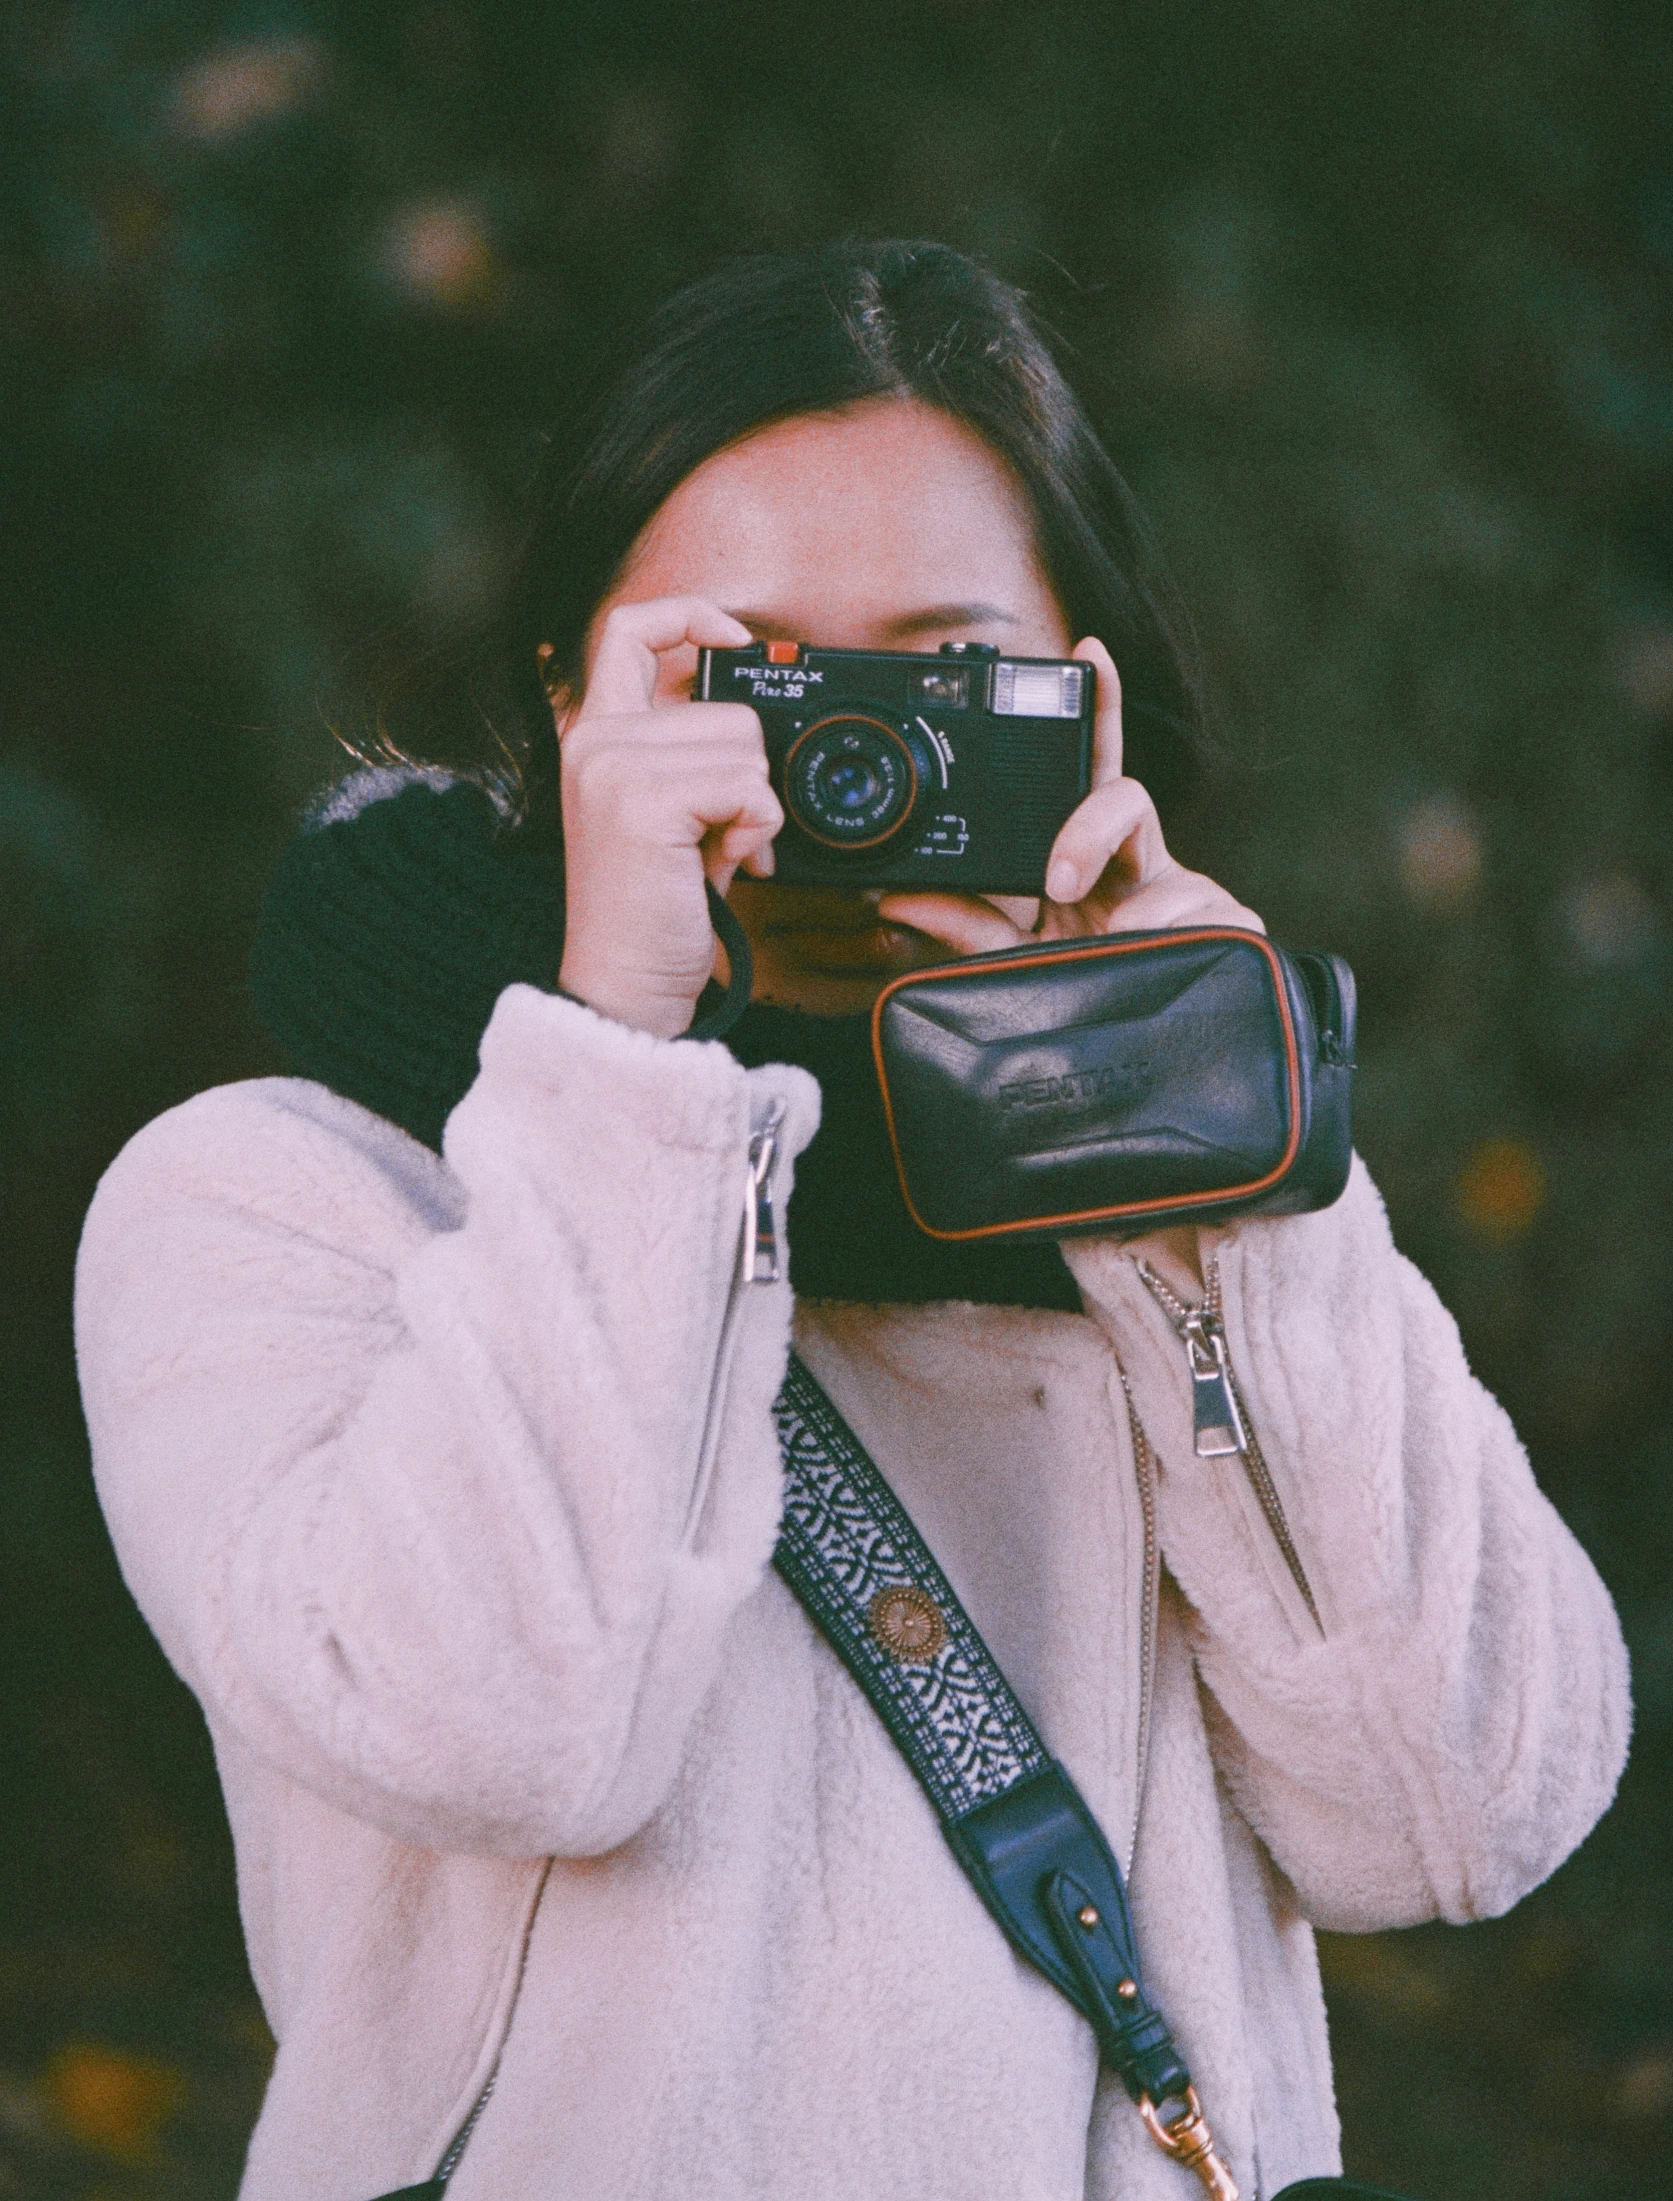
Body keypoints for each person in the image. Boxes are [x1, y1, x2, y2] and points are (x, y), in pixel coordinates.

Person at [75, 241, 1629, 2201]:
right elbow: (507, 1722)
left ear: (1081, 707)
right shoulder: (292, 1200)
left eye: (932, 670)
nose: (838, 762)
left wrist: (1200, 1152)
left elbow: (1458, 1810)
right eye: (744, 675)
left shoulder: (1159, 1235)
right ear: (566, 695)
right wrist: (623, 1059)